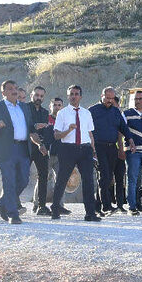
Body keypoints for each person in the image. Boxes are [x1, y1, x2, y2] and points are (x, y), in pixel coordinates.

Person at [0, 79, 33, 224]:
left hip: (23, 148)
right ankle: (12, 213)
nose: (14, 90)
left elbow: (29, 127)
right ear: (3, 92)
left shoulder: (24, 107)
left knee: (24, 179)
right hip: (6, 149)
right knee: (9, 181)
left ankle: (2, 203)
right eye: (10, 88)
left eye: (16, 88)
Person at [51, 84, 100, 221]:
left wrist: (93, 150)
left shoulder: (86, 113)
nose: (74, 96)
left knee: (89, 181)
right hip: (68, 149)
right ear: (68, 96)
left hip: (85, 150)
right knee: (62, 180)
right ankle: (55, 209)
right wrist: (68, 130)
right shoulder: (62, 113)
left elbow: (90, 133)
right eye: (71, 94)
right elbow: (56, 135)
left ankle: (90, 213)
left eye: (76, 94)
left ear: (81, 96)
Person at [90, 87, 132, 215]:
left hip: (112, 148)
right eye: (107, 98)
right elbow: (87, 130)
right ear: (102, 95)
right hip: (98, 147)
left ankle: (98, 206)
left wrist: (130, 140)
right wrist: (91, 149)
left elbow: (123, 127)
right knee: (104, 177)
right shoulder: (92, 111)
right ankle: (106, 207)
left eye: (111, 99)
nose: (109, 101)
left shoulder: (115, 111)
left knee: (108, 178)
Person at [27, 85, 53, 215]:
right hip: (26, 147)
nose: (39, 98)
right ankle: (11, 202)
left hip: (41, 147)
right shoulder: (24, 108)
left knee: (43, 175)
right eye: (37, 95)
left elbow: (46, 130)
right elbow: (26, 127)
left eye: (41, 96)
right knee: (21, 176)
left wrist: (45, 146)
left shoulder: (44, 112)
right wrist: (34, 126)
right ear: (31, 95)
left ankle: (41, 206)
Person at [111, 93, 129, 213]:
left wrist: (122, 149)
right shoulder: (105, 114)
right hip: (107, 150)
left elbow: (122, 133)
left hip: (119, 151)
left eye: (113, 103)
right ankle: (105, 203)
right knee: (106, 179)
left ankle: (120, 204)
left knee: (119, 179)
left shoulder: (120, 116)